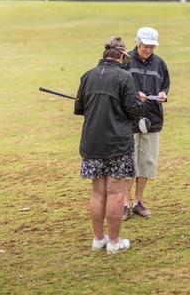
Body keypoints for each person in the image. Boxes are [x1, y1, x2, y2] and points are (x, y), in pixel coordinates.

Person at [75, 37, 142, 253]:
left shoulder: (87, 76)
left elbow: (80, 108)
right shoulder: (125, 77)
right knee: (114, 193)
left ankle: (98, 239)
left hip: (92, 143)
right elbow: (134, 111)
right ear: (121, 56)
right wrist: (137, 100)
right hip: (117, 144)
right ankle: (113, 242)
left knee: (97, 192)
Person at [122, 27, 170, 220]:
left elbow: (165, 85)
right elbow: (118, 88)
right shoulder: (125, 61)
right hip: (128, 119)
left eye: (151, 47)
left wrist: (163, 95)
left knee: (147, 162)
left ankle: (138, 201)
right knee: (128, 162)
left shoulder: (160, 63)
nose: (148, 50)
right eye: (145, 46)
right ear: (137, 42)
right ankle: (124, 202)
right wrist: (134, 96)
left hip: (152, 118)